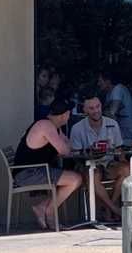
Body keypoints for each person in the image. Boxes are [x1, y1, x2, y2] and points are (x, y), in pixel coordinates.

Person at [13, 99, 83, 230]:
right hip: (28, 173)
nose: (69, 117)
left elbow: (68, 144)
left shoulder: (53, 127)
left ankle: (42, 207)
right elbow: (65, 150)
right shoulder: (45, 126)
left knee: (75, 178)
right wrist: (65, 146)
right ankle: (49, 210)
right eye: (69, 114)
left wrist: (65, 145)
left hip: (36, 171)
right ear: (65, 114)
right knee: (75, 179)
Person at [69, 94, 129, 220]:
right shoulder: (77, 128)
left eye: (98, 106)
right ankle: (114, 210)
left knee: (126, 170)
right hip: (88, 164)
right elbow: (74, 155)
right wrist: (88, 152)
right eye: (91, 108)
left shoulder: (112, 123)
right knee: (93, 174)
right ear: (84, 110)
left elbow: (119, 149)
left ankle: (108, 208)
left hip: (109, 162)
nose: (96, 110)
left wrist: (123, 160)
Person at [98, 71, 132, 140]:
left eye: (100, 81)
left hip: (129, 131)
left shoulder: (118, 89)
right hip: (121, 130)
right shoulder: (108, 94)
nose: (98, 84)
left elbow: (111, 114)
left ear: (108, 81)